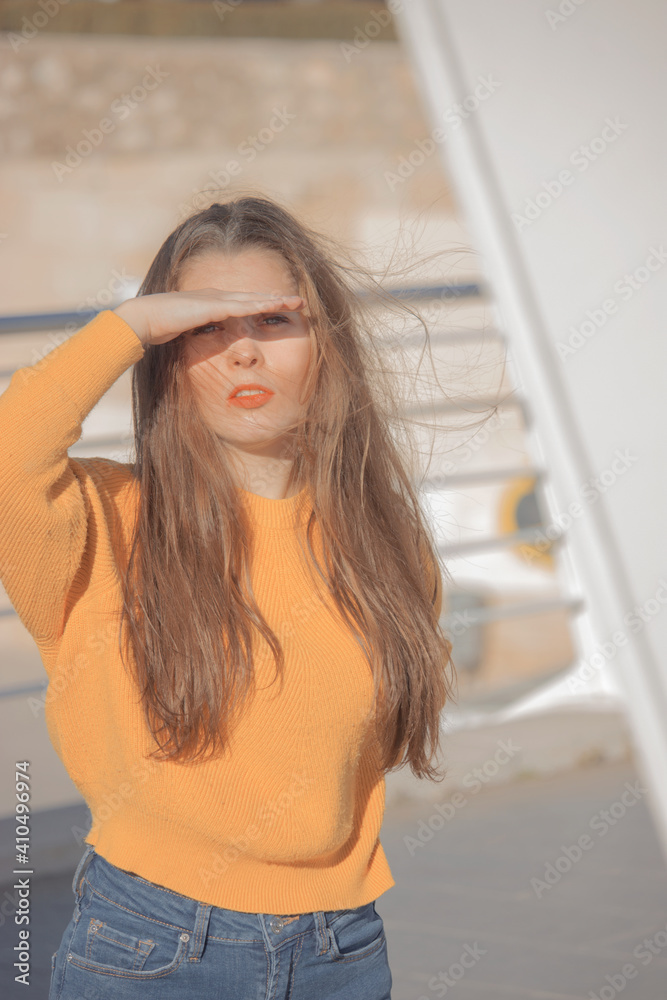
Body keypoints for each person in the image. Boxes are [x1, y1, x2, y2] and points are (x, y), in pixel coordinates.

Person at [0, 196, 456, 999]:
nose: (242, 353)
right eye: (204, 328)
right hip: (147, 943)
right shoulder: (104, 523)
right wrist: (127, 325)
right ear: (166, 356)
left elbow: (366, 742)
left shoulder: (383, 541)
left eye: (274, 323)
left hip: (342, 948)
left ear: (328, 347)